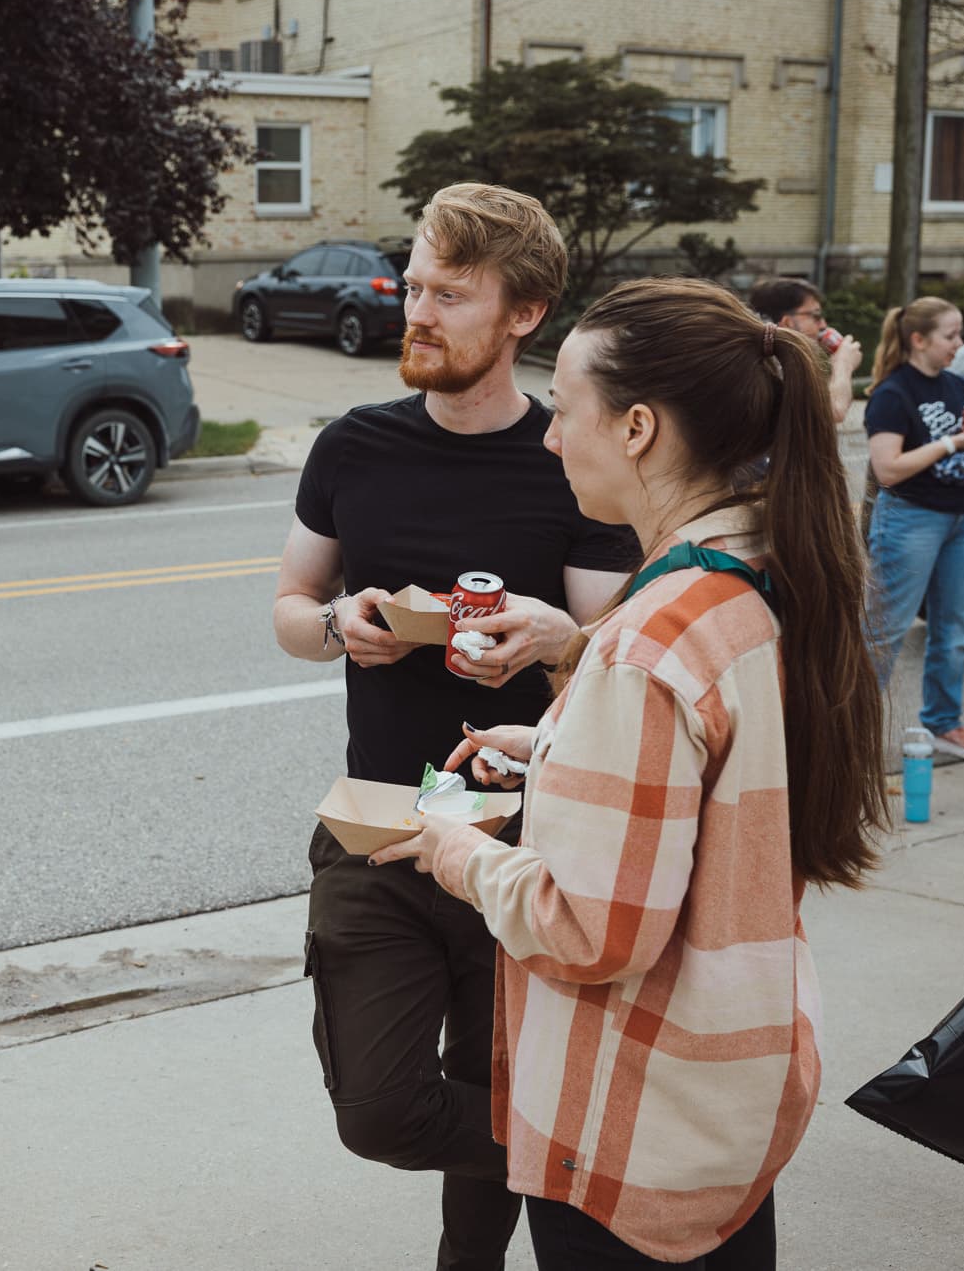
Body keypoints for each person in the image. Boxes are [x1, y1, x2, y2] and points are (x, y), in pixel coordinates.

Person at [372, 275, 890, 1269]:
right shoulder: (760, 570)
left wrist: (452, 847)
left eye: (565, 411)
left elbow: (589, 931)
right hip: (725, 1095)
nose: (550, 438)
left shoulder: (646, 643)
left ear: (638, 428)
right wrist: (555, 749)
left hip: (632, 1122)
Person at [272, 182, 640, 1271]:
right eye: (414, 287)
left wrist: (550, 638)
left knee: (488, 1098)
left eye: (449, 294)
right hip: (378, 823)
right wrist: (338, 624)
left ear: (524, 313)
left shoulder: (568, 459)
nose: (417, 313)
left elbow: (616, 659)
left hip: (524, 842)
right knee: (380, 1110)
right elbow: (290, 607)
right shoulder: (353, 445)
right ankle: (584, 1154)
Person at [862, 295, 964, 760]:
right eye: (950, 336)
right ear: (918, 340)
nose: (959, 344)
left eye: (960, 334)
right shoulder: (892, 393)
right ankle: (847, 733)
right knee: (884, 632)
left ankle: (943, 724)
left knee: (958, 628)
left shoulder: (959, 386)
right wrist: (953, 442)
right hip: (910, 519)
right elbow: (888, 469)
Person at [749, 276, 861, 424]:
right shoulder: (774, 366)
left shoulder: (757, 357)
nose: (823, 325)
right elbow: (833, 412)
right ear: (787, 322)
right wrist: (843, 364)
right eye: (816, 316)